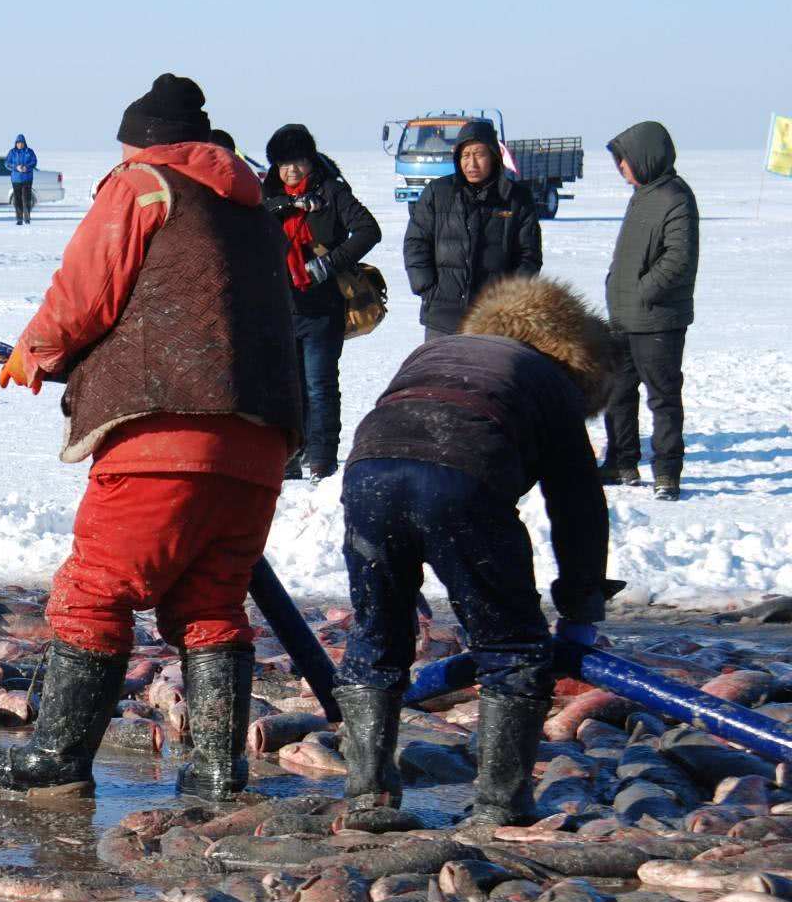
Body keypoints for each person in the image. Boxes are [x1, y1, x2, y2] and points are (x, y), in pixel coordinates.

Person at [0, 74, 301, 802]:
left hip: (164, 430)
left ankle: (59, 758)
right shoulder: (251, 204)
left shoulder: (144, 184)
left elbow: (85, 290)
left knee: (94, 592)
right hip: (261, 439)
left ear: (145, 143)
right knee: (212, 603)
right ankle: (216, 770)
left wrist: (36, 351)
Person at [332, 276, 617, 828]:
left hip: (369, 471)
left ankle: (368, 797)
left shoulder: (436, 350)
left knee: (376, 635)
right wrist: (581, 607)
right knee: (512, 646)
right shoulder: (552, 379)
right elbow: (578, 506)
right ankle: (500, 806)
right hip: (461, 477)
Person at [262, 124, 381, 480]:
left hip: (322, 308)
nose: (291, 170)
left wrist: (329, 264)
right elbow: (251, 223)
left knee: (320, 386)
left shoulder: (331, 192)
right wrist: (287, 204)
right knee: (287, 387)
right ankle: (289, 459)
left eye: (298, 162)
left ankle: (322, 460)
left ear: (310, 161)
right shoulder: (268, 195)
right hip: (280, 308)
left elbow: (369, 230)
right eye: (284, 163)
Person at [601, 121, 698, 501]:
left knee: (663, 398)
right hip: (624, 316)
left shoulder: (676, 196)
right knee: (617, 392)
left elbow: (678, 259)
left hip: (658, 319)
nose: (621, 168)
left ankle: (667, 473)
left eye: (624, 160)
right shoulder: (641, 196)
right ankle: (621, 463)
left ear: (644, 157)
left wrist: (643, 291)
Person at [402, 120, 542, 339]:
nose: (472, 163)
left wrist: (510, 298)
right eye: (465, 155)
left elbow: (529, 255)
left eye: (479, 154)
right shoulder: (437, 193)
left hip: (495, 320)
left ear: (494, 156)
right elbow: (416, 244)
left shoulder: (516, 199)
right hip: (442, 319)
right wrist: (428, 289)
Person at [5, 135, 38, 225]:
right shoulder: (12, 152)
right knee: (17, 199)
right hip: (16, 180)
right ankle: (19, 219)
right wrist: (16, 167)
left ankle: (27, 218)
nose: (20, 144)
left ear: (24, 143)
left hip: (27, 179)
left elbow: (34, 162)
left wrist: (27, 167)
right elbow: (7, 163)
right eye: (18, 143)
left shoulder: (29, 151)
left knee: (26, 199)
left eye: (21, 143)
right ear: (16, 143)